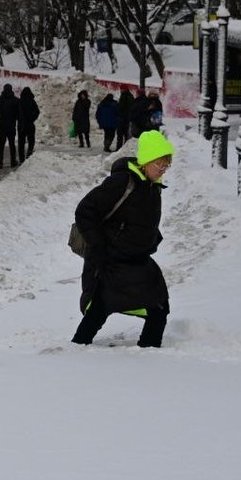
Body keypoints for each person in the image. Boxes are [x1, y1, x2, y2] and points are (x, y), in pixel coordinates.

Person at [71, 130, 174, 348]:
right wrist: (97, 247)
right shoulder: (122, 183)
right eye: (160, 164)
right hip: (111, 261)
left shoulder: (153, 186)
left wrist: (152, 238)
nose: (163, 169)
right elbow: (84, 211)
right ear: (146, 161)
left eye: (167, 165)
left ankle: (149, 351)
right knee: (100, 308)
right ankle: (76, 350)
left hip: (137, 260)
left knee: (158, 306)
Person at [0, 84, 20, 168]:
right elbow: (19, 113)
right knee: (12, 144)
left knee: (1, 144)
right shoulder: (16, 100)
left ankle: (0, 163)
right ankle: (13, 161)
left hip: (2, 125)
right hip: (11, 125)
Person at [17, 86, 41, 161]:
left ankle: (21, 158)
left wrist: (19, 119)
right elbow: (37, 111)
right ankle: (29, 152)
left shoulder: (20, 101)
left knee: (21, 142)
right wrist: (32, 119)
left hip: (21, 124)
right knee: (31, 140)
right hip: (30, 124)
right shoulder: (32, 101)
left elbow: (16, 112)